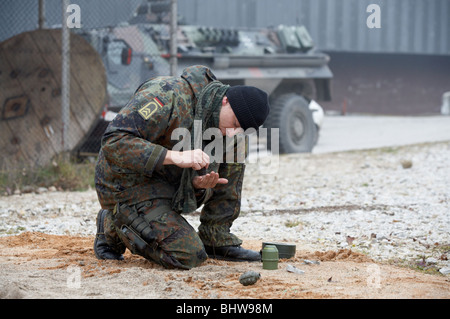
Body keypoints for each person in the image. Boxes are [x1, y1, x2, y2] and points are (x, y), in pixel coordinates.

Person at [93, 65, 270, 270]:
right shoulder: (167, 95)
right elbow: (114, 142)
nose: (232, 132)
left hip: (167, 183)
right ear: (225, 100)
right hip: (127, 184)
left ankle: (216, 236)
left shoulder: (223, 128)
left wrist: (197, 183)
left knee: (236, 144)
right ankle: (113, 223)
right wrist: (175, 157)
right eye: (235, 122)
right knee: (188, 255)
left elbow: (194, 168)